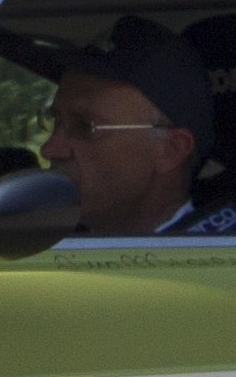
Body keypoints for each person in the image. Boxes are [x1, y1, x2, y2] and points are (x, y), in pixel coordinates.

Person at [39, 16, 223, 238]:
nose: (49, 149)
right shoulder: (43, 243)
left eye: (84, 126)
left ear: (171, 150)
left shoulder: (212, 265)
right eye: (55, 120)